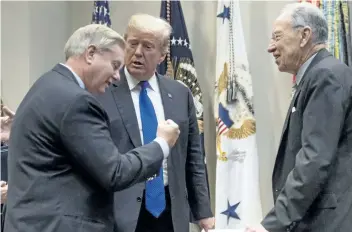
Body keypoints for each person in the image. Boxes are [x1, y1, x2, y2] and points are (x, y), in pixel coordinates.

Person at [4, 24, 181, 232]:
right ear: (90, 54)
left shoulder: (46, 84)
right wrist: (161, 144)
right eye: (115, 65)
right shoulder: (76, 101)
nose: (117, 76)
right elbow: (115, 172)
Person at [96, 14, 214, 232]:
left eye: (148, 46)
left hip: (170, 212)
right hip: (119, 214)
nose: (138, 52)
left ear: (162, 55)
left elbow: (193, 159)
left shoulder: (179, 94)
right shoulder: (102, 90)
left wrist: (203, 213)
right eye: (132, 44)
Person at [246, 2, 352, 232]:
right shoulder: (317, 75)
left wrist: (272, 224)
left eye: (277, 37)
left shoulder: (326, 76)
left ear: (304, 35)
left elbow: (315, 160)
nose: (270, 47)